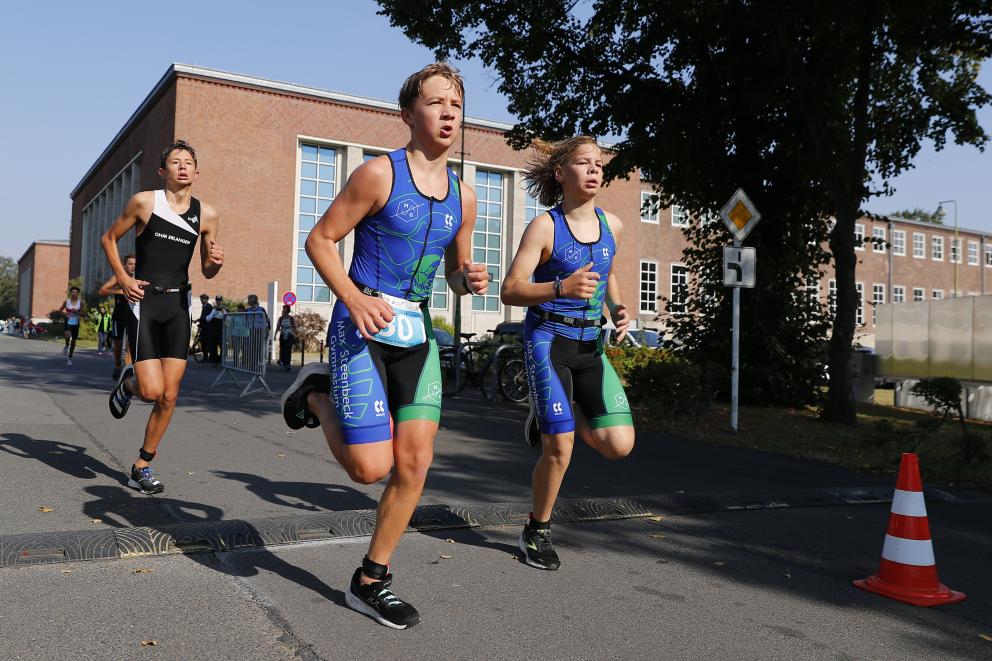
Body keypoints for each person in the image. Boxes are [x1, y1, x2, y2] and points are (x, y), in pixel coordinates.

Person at [279, 63, 488, 629]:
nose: (449, 113)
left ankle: (372, 579)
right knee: (370, 470)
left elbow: (450, 269)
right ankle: (317, 397)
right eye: (436, 102)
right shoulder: (378, 175)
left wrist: (466, 276)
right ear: (407, 113)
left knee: (414, 462)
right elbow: (319, 240)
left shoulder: (464, 198)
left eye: (456, 105)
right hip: (363, 325)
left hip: (415, 334)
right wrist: (350, 298)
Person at [501, 136, 636, 571]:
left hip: (589, 344)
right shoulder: (545, 227)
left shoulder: (612, 225)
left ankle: (548, 409)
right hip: (548, 340)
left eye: (599, 164)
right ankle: (536, 531)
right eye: (584, 163)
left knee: (619, 445)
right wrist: (560, 287)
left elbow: (608, 271)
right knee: (560, 448)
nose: (596, 169)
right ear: (561, 173)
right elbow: (511, 289)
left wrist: (616, 307)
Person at [100, 139, 224, 495]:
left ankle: (143, 464)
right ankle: (128, 384)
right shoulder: (144, 202)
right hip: (145, 303)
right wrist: (123, 279)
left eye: (188, 162)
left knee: (170, 396)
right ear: (162, 171)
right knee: (152, 391)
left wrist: (214, 264)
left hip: (178, 308)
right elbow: (109, 239)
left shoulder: (208, 214)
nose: (182, 166)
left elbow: (207, 269)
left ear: (197, 172)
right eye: (175, 161)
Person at [98, 254, 137, 380]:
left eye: (135, 264)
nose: (133, 266)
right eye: (130, 264)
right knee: (118, 345)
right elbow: (102, 290)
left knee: (131, 344)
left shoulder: (139, 278)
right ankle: (118, 364)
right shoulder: (119, 278)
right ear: (124, 265)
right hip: (118, 316)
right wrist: (120, 291)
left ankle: (127, 371)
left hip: (133, 316)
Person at [59, 286, 85, 366]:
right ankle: (66, 345)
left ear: (78, 294)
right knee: (67, 335)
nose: (74, 293)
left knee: (73, 341)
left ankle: (69, 358)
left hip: (75, 322)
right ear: (70, 293)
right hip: (68, 320)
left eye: (75, 292)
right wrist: (65, 314)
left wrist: (77, 312)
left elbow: (84, 314)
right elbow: (60, 310)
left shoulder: (81, 303)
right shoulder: (66, 301)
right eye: (72, 292)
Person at [245, 293, 271, 370]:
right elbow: (245, 320)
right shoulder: (247, 310)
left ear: (253, 300)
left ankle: (259, 364)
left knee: (259, 349)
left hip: (260, 331)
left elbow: (267, 321)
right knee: (251, 348)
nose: (248, 301)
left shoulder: (261, 310)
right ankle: (252, 364)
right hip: (250, 331)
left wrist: (267, 331)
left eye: (249, 299)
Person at [206, 295, 225, 365]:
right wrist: (214, 312)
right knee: (213, 347)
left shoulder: (224, 309)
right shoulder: (213, 309)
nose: (218, 301)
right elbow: (208, 319)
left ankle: (220, 360)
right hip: (213, 331)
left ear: (222, 301)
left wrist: (223, 311)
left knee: (222, 346)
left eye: (220, 300)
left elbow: (228, 319)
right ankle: (215, 361)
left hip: (221, 332)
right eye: (217, 300)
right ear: (216, 300)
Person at [276, 304, 296, 371]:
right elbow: (278, 327)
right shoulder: (280, 318)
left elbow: (294, 327)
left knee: (288, 350)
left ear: (287, 311)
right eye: (283, 309)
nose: (283, 310)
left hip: (289, 336)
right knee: (282, 350)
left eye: (284, 309)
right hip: (283, 335)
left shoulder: (291, 318)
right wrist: (275, 335)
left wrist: (293, 333)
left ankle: (287, 364)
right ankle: (283, 363)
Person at [195, 292, 213, 361]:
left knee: (207, 343)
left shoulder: (208, 307)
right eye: (201, 299)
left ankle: (208, 357)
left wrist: (198, 320)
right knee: (203, 343)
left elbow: (205, 317)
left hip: (207, 329)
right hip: (204, 328)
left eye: (202, 299)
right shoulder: (205, 306)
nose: (201, 300)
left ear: (206, 299)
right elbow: (203, 317)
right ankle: (206, 357)